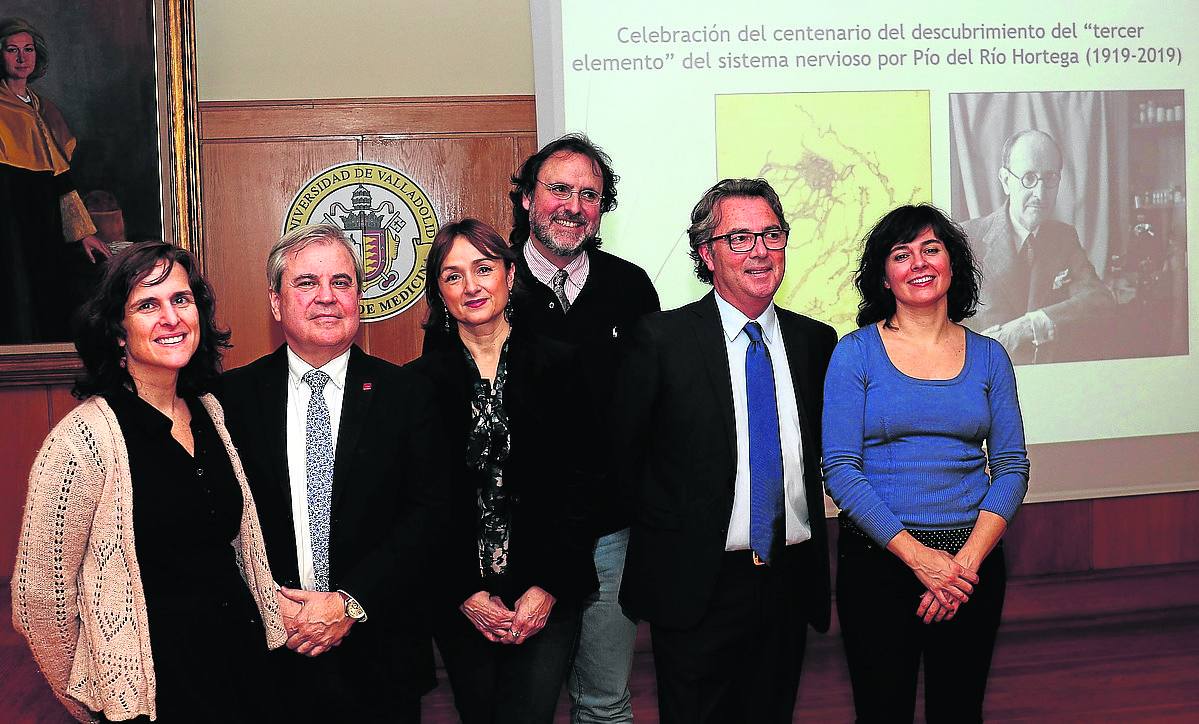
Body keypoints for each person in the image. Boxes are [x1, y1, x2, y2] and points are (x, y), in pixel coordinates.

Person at [11, 241, 285, 722]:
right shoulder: (81, 442)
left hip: (243, 671)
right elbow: (41, 600)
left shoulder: (211, 412)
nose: (171, 317)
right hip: (152, 694)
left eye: (181, 300)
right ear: (117, 331)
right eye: (146, 305)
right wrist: (89, 698)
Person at [617, 179, 835, 723]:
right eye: (739, 238)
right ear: (706, 254)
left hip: (788, 580)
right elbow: (624, 460)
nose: (760, 250)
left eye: (772, 234)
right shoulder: (660, 340)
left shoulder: (816, 342)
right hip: (698, 588)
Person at [217, 224, 448, 722]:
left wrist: (350, 602)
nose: (327, 297)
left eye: (342, 283)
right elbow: (214, 523)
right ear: (276, 303)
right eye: (306, 283)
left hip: (379, 650)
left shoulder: (407, 395)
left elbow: (428, 515)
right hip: (268, 649)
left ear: (359, 299)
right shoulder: (229, 400)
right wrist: (266, 603)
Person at [822, 204, 1031, 723]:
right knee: (881, 711)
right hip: (880, 561)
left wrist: (962, 567)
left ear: (952, 264)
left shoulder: (990, 357)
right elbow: (841, 469)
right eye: (901, 253)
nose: (919, 262)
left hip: (971, 565)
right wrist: (920, 560)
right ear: (884, 277)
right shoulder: (855, 354)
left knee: (959, 711)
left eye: (931, 249)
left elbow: (1011, 466)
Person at [408, 218, 601, 723]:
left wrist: (546, 587)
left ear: (510, 277)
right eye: (453, 276)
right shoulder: (415, 385)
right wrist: (464, 593)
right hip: (460, 595)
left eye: (484, 268)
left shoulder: (565, 366)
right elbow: (418, 503)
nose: (471, 286)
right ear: (440, 293)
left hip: (546, 589)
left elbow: (584, 487)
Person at [503, 133, 660, 723]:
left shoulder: (631, 288)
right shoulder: (489, 283)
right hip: (521, 536)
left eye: (589, 194)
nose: (573, 205)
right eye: (558, 189)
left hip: (610, 535)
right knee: (526, 702)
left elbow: (655, 410)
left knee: (605, 697)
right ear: (526, 199)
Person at [1, 17, 112, 344]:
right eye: (12, 50)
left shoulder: (43, 108)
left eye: (28, 50)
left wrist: (84, 233)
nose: (22, 58)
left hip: (45, 219)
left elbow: (61, 180)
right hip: (8, 216)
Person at [961, 129, 1113, 364]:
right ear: (1005, 181)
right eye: (1029, 178)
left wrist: (1027, 327)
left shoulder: (1064, 237)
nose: (1040, 193)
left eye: (1050, 178)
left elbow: (1099, 299)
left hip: (1051, 379)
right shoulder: (966, 238)